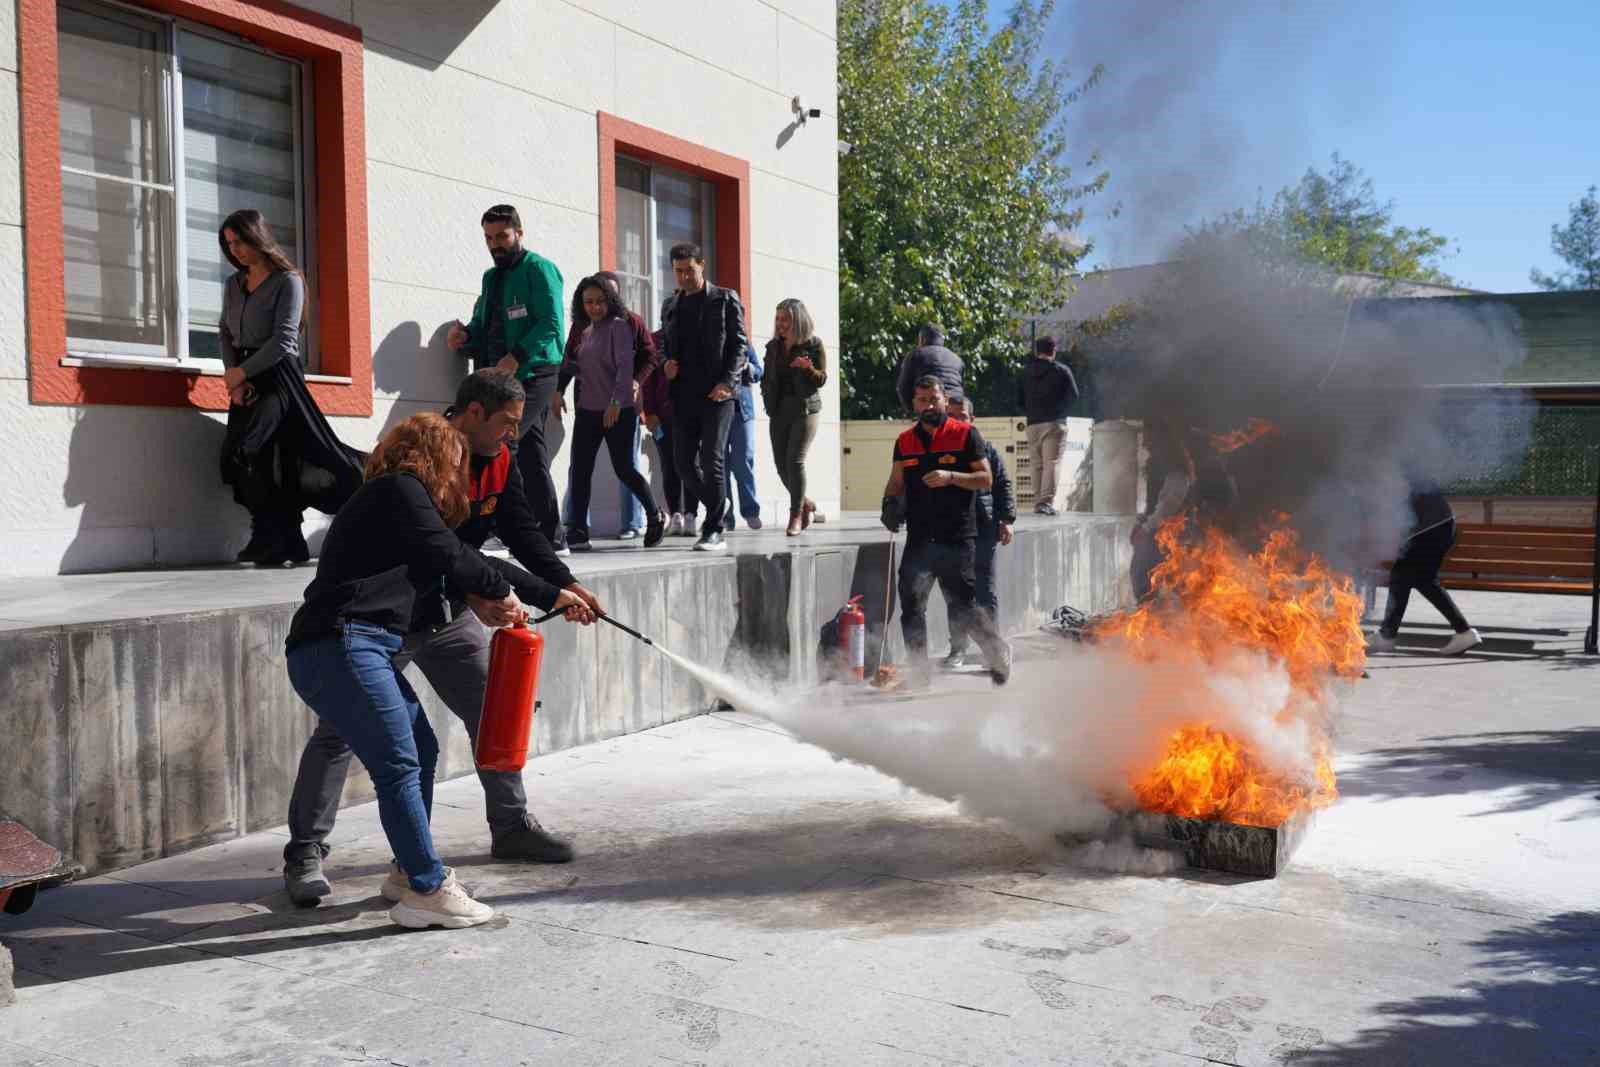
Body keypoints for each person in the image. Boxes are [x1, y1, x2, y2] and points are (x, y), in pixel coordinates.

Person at [282, 373, 607, 908]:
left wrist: (561, 589)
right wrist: (491, 590)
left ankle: (506, 826)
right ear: (470, 415)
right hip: (375, 621)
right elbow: (446, 551)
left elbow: (514, 535)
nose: (510, 437)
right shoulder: (416, 470)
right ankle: (307, 851)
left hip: (445, 611)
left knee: (491, 710)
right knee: (347, 732)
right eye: (504, 423)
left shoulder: (497, 461)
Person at [217, 209, 363, 567]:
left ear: (258, 237)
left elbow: (284, 340)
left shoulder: (288, 281)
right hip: (246, 377)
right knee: (263, 460)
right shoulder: (232, 285)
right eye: (229, 244)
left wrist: (242, 373)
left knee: (253, 451)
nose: (235, 250)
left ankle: (272, 536)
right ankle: (282, 539)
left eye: (240, 241)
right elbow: (224, 331)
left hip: (279, 377)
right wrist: (233, 376)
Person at [446, 204, 566, 549]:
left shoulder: (540, 269)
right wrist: (465, 337)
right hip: (498, 378)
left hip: (534, 371)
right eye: (488, 238)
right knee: (530, 453)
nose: (495, 244)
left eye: (502, 236)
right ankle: (552, 535)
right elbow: (484, 327)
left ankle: (494, 525)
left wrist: (517, 357)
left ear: (519, 233)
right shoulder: (491, 276)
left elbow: (551, 324)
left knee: (498, 442)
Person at [880, 376, 1011, 688]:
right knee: (911, 605)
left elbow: (986, 479)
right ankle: (920, 672)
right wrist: (888, 505)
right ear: (914, 404)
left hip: (957, 536)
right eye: (922, 400)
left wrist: (951, 476)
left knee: (964, 607)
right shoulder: (905, 441)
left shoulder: (966, 434)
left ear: (945, 400)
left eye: (934, 399)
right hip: (920, 538)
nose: (929, 405)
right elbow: (896, 482)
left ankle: (997, 654)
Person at [554, 276, 666, 550]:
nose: (594, 307)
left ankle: (654, 515)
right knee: (579, 469)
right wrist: (558, 391)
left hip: (620, 408)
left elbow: (635, 362)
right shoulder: (580, 327)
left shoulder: (625, 324)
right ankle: (578, 530)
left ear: (612, 299)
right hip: (587, 408)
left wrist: (622, 396)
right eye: (588, 302)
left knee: (624, 468)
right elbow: (569, 361)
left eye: (600, 301)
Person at [658, 243, 748, 551]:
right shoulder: (670, 305)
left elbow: (739, 346)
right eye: (678, 271)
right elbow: (664, 347)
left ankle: (714, 529)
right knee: (683, 463)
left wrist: (727, 382)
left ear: (702, 266)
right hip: (683, 394)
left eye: (690, 270)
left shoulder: (724, 299)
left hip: (718, 394)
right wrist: (665, 363)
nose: (684, 277)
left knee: (712, 459)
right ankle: (718, 507)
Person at [1367, 483, 1483, 655]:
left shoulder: (1393, 466)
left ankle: (1387, 636)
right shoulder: (1406, 464)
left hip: (1428, 529)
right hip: (1439, 527)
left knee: (1402, 575)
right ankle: (1464, 633)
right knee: (1422, 580)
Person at [943, 395, 1015, 669]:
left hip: (984, 529)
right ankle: (957, 649)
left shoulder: (986, 450)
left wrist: (1006, 519)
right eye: (952, 416)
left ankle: (992, 651)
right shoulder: (941, 451)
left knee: (985, 591)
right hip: (954, 532)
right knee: (956, 594)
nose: (957, 421)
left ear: (972, 420)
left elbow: (1003, 485)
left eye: (962, 416)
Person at [761, 298, 827, 536]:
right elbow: (766, 379)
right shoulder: (773, 347)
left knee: (794, 462)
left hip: (804, 409)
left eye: (785, 319)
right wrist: (766, 399)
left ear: (797, 321)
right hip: (779, 410)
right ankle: (805, 502)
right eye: (778, 319)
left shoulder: (813, 345)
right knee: (781, 467)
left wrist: (807, 368)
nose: (780, 324)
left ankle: (795, 515)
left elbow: (821, 379)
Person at [1016, 336, 1080, 516]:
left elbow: (1019, 400)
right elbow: (1073, 395)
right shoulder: (1061, 370)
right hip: (1053, 422)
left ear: (1036, 351)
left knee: (1036, 464)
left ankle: (1038, 502)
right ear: (1054, 351)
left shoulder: (1025, 372)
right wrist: (1059, 410)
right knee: (1051, 463)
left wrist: (1031, 411)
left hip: (1032, 423)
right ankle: (1046, 502)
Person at [641, 342, 699, 536]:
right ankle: (676, 514)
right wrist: (649, 411)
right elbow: (648, 380)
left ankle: (691, 515)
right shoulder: (655, 341)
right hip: (663, 416)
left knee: (690, 465)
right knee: (669, 465)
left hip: (691, 414)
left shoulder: (696, 337)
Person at [724, 340, 764, 531]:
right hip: (717, 409)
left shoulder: (743, 344)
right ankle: (725, 516)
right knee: (719, 464)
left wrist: (748, 367)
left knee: (743, 459)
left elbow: (759, 371)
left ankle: (750, 511)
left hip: (743, 410)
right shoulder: (710, 338)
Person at [894, 324, 963, 414]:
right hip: (956, 408)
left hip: (932, 408)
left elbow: (902, 388)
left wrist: (913, 411)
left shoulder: (916, 355)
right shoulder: (957, 359)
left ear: (922, 339)